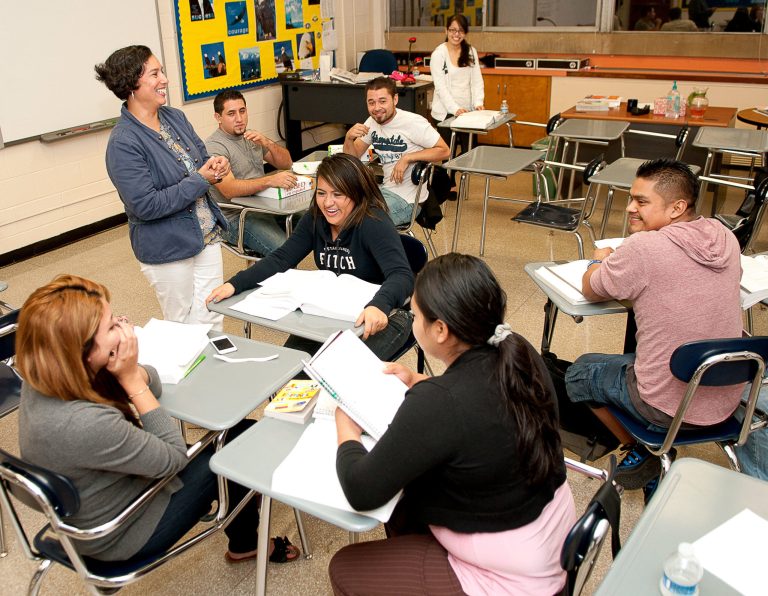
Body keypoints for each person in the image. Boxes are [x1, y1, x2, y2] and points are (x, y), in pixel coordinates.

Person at [329, 253, 575, 595]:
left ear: (441, 330)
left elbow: (361, 491)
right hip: (549, 530)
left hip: (514, 577)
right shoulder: (516, 350)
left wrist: (346, 425)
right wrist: (418, 380)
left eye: (415, 316)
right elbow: (478, 405)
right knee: (407, 505)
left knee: (345, 567)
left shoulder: (443, 400)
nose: (412, 322)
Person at [15, 274, 299, 564]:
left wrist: (128, 370)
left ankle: (241, 515)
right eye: (112, 325)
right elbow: (174, 459)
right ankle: (247, 544)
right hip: (120, 533)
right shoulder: (85, 423)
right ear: (84, 353)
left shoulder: (48, 374)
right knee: (240, 447)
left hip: (93, 506)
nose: (124, 325)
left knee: (237, 429)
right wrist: (130, 379)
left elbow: (154, 383)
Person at [564, 159, 742, 499]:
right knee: (643, 353)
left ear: (677, 207)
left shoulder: (644, 248)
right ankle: (648, 448)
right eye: (631, 198)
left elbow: (591, 288)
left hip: (667, 405)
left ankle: (645, 447)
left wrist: (600, 258)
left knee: (579, 372)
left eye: (641, 201)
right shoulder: (725, 236)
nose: (630, 208)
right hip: (726, 397)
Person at [206, 153, 414, 361]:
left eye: (338, 194)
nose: (328, 203)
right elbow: (281, 258)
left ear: (356, 193)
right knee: (292, 369)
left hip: (387, 315)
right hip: (332, 314)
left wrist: (378, 306)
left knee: (334, 376)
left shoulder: (373, 221)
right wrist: (235, 284)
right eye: (321, 193)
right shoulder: (315, 218)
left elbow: (401, 275)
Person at [95, 45, 229, 330]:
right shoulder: (123, 142)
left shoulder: (174, 117)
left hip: (206, 235)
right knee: (182, 327)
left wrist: (215, 165)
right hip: (167, 247)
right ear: (132, 83)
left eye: (162, 71)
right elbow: (146, 205)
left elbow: (200, 160)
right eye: (155, 73)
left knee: (212, 316)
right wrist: (202, 179)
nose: (165, 79)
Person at [343, 77, 450, 227]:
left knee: (360, 223)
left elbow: (445, 151)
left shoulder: (413, 122)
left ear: (395, 99)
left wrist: (408, 158)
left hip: (409, 201)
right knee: (339, 211)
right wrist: (348, 138)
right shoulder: (372, 122)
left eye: (382, 101)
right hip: (383, 192)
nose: (376, 108)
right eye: (371, 102)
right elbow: (350, 160)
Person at [206, 89, 298, 257]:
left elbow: (286, 163)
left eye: (242, 111)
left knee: (316, 222)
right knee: (285, 251)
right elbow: (229, 190)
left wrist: (267, 142)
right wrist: (269, 181)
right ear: (218, 118)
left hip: (264, 205)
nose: (239, 119)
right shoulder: (215, 147)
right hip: (236, 218)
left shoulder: (251, 137)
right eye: (231, 114)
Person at [429, 14, 485, 159]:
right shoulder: (439, 54)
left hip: (467, 112)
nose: (456, 34)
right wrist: (455, 109)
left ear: (465, 33)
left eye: (460, 30)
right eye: (452, 30)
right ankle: (449, 181)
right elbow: (440, 87)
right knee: (449, 155)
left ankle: (462, 180)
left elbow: (477, 80)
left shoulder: (471, 51)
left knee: (470, 153)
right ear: (445, 31)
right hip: (445, 113)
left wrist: (478, 103)